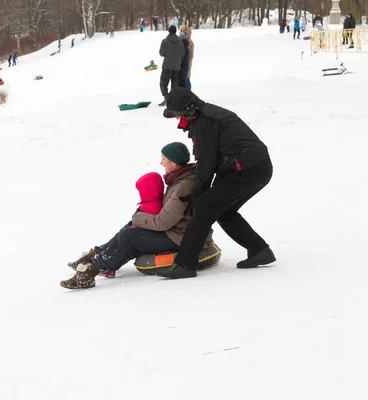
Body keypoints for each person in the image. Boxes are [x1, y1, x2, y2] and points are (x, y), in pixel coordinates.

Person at [157, 88, 275, 280]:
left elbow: (206, 165)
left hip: (247, 170)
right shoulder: (206, 115)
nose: (177, 119)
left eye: (177, 115)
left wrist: (197, 197)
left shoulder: (205, 122)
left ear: (188, 110)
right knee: (221, 210)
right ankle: (259, 250)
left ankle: (185, 264)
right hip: (251, 167)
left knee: (204, 206)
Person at [61, 142, 211, 289]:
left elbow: (163, 222)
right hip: (178, 232)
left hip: (181, 237)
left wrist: (138, 218)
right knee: (131, 227)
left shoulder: (183, 186)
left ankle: (91, 271)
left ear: (174, 162)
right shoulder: (180, 180)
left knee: (130, 235)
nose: (161, 162)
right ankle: (99, 258)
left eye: (163, 158)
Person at [158, 25, 184, 107]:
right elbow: (183, 54)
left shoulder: (165, 41)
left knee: (163, 83)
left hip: (167, 66)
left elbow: (162, 53)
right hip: (176, 67)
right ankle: (173, 99)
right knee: (174, 84)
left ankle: (167, 98)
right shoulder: (180, 42)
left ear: (169, 31)